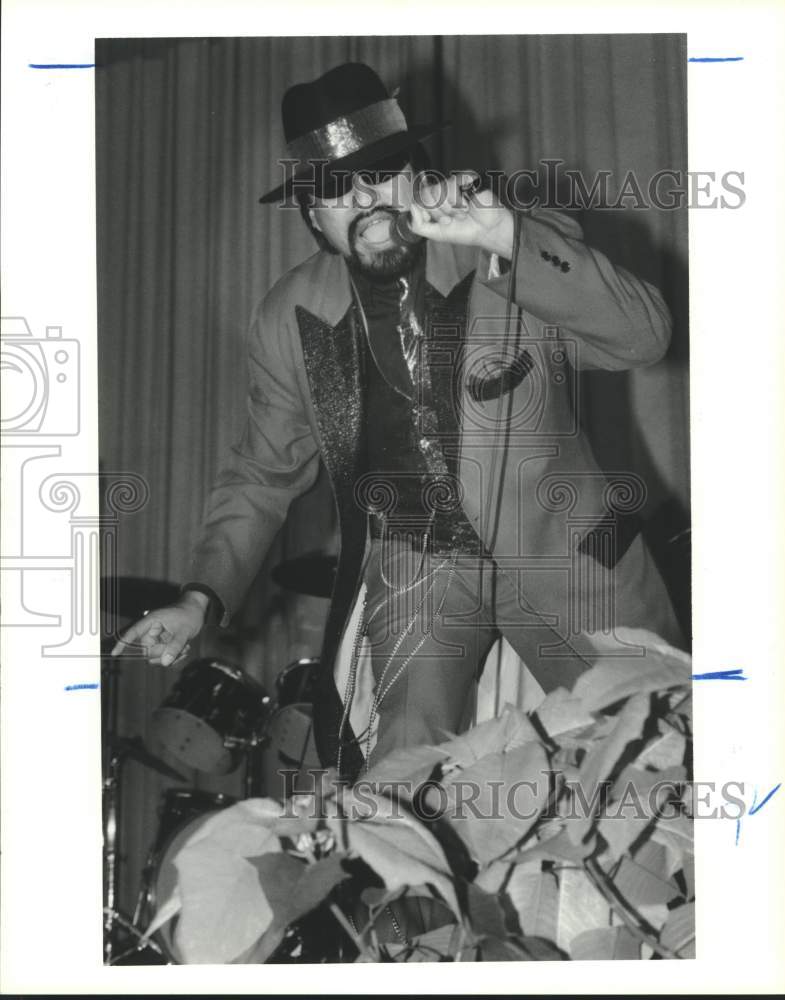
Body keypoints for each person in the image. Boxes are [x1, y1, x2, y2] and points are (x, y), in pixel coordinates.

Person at [113, 62, 683, 782]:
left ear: (416, 177)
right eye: (334, 188)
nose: (363, 198)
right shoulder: (288, 316)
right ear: (311, 215)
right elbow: (262, 472)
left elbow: (643, 339)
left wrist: (505, 233)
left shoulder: (506, 244)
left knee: (649, 763)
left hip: (563, 550)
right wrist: (199, 598)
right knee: (397, 786)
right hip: (419, 566)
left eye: (380, 172)